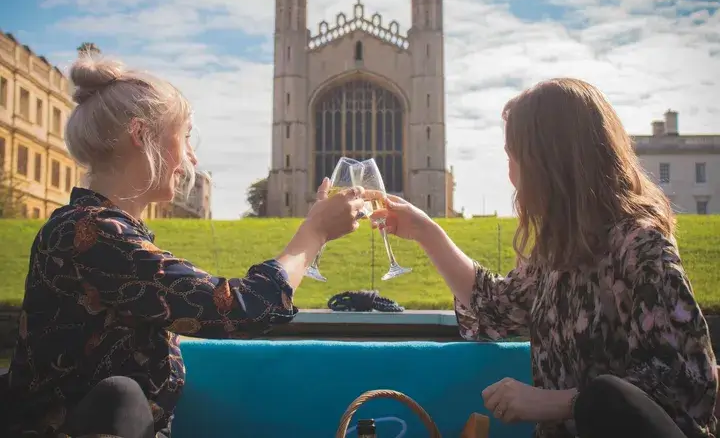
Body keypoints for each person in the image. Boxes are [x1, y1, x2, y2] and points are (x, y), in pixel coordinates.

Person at [0, 56, 368, 438]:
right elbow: (242, 308)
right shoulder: (92, 233)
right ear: (140, 134)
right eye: (185, 136)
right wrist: (315, 232)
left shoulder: (98, 230)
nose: (192, 157)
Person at [372, 78, 718, 438]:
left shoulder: (641, 247)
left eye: (513, 157)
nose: (510, 174)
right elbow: (494, 307)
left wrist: (553, 402)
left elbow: (686, 381)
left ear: (549, 162)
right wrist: (425, 232)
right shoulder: (558, 251)